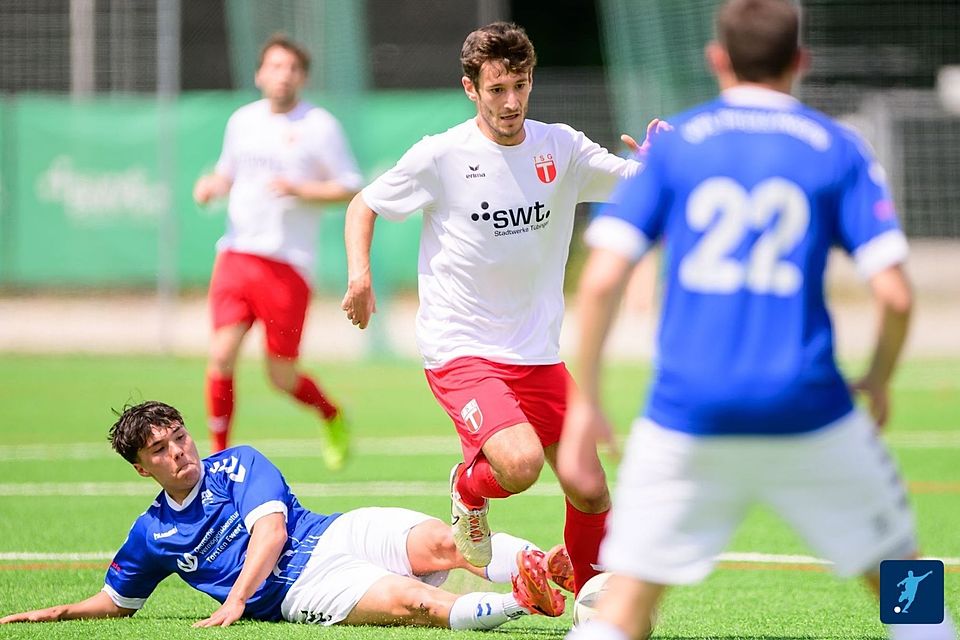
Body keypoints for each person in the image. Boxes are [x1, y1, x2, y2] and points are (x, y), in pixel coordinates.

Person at [559, 1, 957, 639]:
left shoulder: (678, 146)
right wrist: (879, 378)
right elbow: (896, 295)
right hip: (810, 409)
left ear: (718, 59)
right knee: (908, 586)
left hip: (687, 413)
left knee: (624, 607)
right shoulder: (837, 146)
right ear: (801, 60)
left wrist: (588, 407)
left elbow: (601, 281)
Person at [340, 21, 664, 598]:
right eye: (497, 89)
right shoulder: (441, 155)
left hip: (536, 352)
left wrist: (664, 163)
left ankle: (592, 608)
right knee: (519, 464)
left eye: (520, 85)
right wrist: (360, 275)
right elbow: (364, 204)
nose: (511, 102)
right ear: (471, 89)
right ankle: (468, 488)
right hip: (461, 347)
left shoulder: (560, 147)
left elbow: (638, 185)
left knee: (590, 489)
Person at [0, 401, 568, 629]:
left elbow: (270, 534)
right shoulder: (152, 534)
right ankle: (525, 601)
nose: (179, 452)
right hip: (301, 590)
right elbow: (119, 601)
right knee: (414, 602)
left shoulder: (238, 463)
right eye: (160, 449)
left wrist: (234, 600)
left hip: (332, 532)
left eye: (180, 437)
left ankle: (557, 569)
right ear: (142, 469)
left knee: (446, 543)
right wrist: (59, 612)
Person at [193, 34, 361, 468]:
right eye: (275, 66)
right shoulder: (242, 121)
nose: (283, 75)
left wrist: (301, 189)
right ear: (259, 75)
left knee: (281, 377)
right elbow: (227, 172)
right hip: (236, 255)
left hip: (288, 265)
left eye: (292, 68)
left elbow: (350, 186)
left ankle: (331, 414)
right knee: (220, 355)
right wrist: (213, 185)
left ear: (302, 77)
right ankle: (218, 458)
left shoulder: (320, 126)